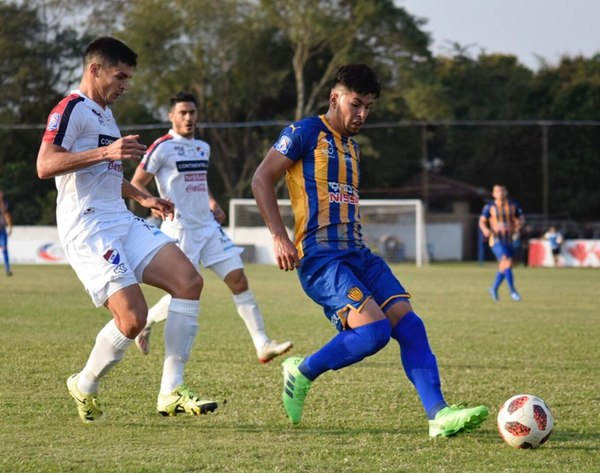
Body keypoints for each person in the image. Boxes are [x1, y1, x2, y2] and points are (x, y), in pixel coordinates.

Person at [251, 63, 488, 437]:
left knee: (410, 325)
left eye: (368, 107)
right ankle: (302, 370)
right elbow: (261, 178)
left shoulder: (352, 147)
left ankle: (438, 415)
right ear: (335, 97)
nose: (362, 114)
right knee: (374, 332)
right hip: (321, 258)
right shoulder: (304, 132)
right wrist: (279, 236)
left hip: (359, 254)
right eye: (356, 104)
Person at [36, 37, 217, 423]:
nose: (125, 85)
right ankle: (84, 383)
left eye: (129, 78)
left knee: (188, 281)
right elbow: (45, 164)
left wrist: (143, 197)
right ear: (94, 70)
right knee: (132, 319)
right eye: (120, 76)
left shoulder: (105, 114)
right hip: (87, 226)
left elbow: (104, 174)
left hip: (119, 218)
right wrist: (106, 152)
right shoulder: (71, 109)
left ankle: (171, 391)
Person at [130, 91, 292, 363]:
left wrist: (213, 202)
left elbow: (199, 183)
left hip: (208, 227)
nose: (188, 117)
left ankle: (262, 343)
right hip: (180, 230)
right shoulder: (162, 147)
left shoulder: (202, 148)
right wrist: (150, 203)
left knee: (238, 279)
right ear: (171, 116)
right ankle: (146, 322)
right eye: (182, 113)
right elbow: (136, 182)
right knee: (185, 287)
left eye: (192, 112)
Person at [479, 184, 524, 302]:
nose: (500, 193)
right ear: (493, 194)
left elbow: (520, 218)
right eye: (498, 191)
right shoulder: (490, 206)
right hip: (496, 240)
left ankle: (494, 288)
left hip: (509, 239)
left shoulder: (513, 205)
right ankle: (513, 291)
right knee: (507, 261)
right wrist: (485, 229)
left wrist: (519, 225)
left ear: (506, 192)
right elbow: (482, 221)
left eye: (502, 191)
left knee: (504, 266)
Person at [0, 189, 13, 276]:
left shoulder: (5, 205)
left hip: (2, 230)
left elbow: (7, 216)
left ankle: (8, 269)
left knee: (4, 249)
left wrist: (10, 227)